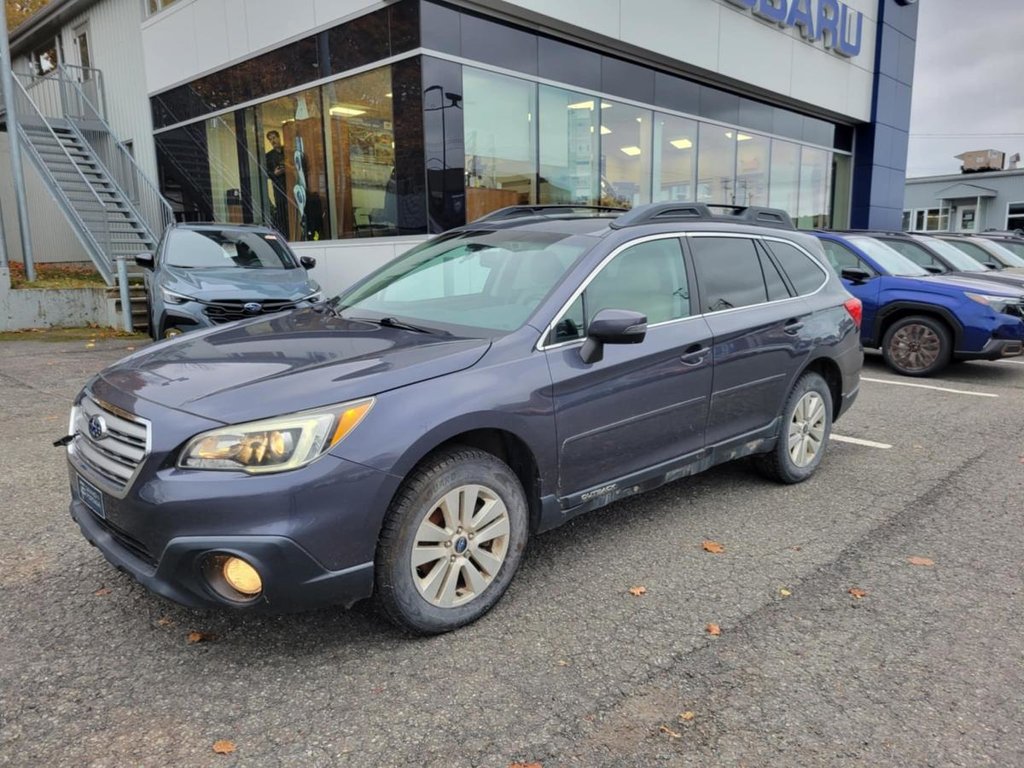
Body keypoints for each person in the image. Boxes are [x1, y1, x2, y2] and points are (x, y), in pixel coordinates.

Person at [264, 130, 288, 235]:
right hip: (279, 187)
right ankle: (285, 235)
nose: (273, 141)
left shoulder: (288, 151)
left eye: (274, 138)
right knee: (282, 212)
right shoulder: (268, 156)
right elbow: (266, 173)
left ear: (279, 138)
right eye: (270, 139)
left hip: (291, 185)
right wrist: (275, 173)